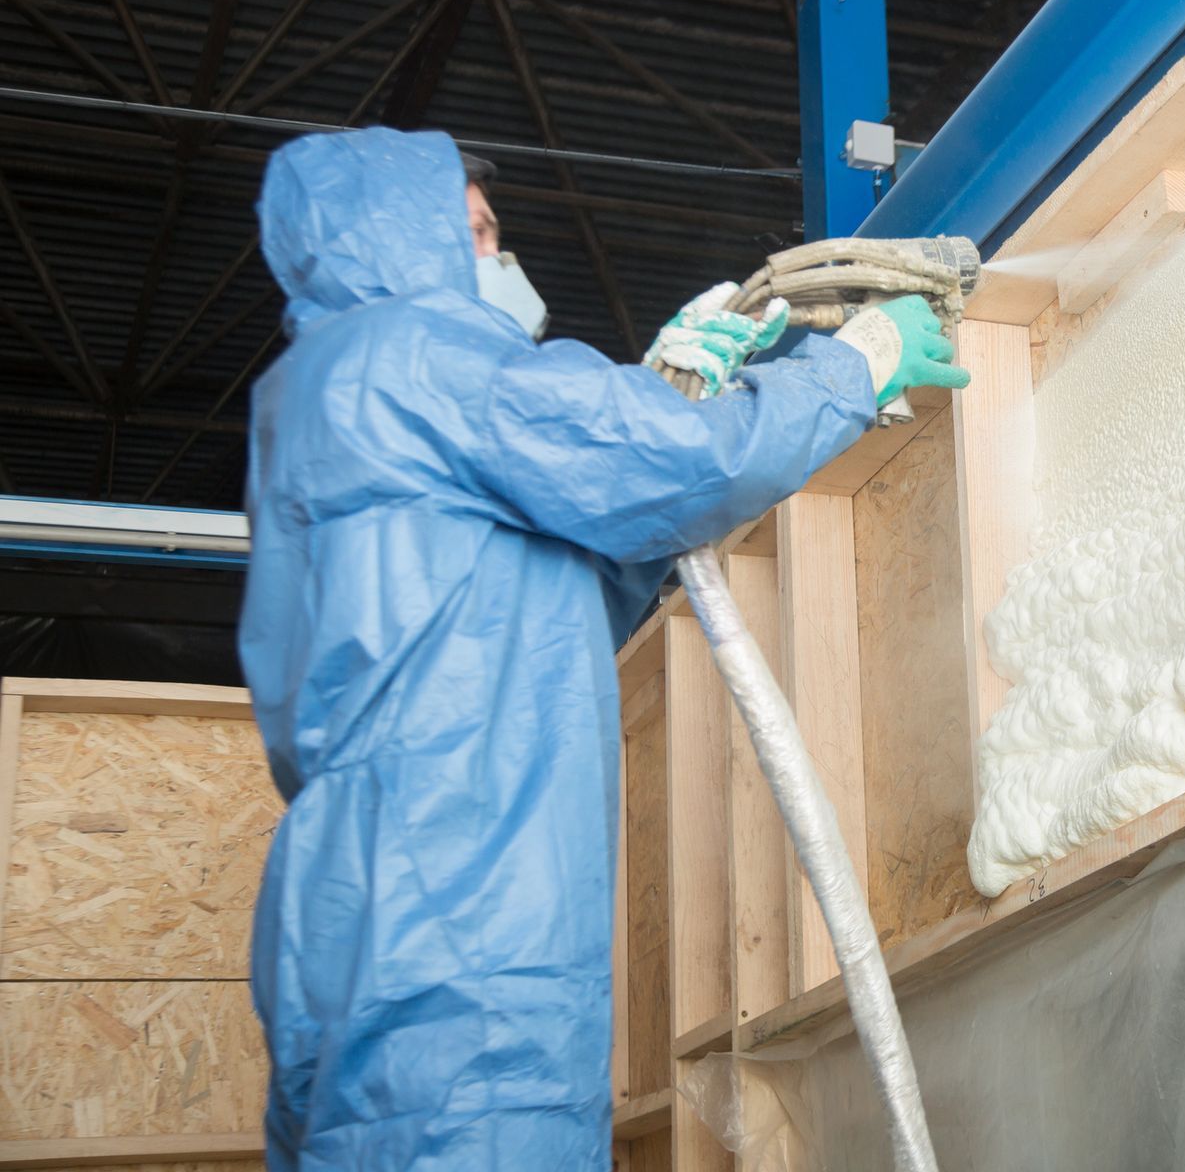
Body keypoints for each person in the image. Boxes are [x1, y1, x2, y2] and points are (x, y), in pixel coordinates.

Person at [240, 126, 968, 1170]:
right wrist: (855, 364)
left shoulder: (324, 395)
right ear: (400, 241)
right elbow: (675, 465)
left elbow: (547, 599)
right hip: (459, 915)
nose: (499, 261)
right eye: (479, 235)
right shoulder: (407, 354)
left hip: (366, 904)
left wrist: (663, 388)